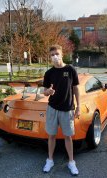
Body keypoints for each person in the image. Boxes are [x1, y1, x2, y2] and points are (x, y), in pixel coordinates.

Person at [43, 44, 80, 176]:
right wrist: (48, 91)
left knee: (68, 136)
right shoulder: (49, 73)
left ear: (62, 54)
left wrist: (78, 106)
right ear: (50, 57)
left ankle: (71, 162)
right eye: (52, 55)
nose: (55, 56)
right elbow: (44, 92)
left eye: (57, 54)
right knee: (51, 136)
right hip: (52, 108)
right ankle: (50, 160)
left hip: (67, 109)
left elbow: (76, 88)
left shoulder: (70, 70)